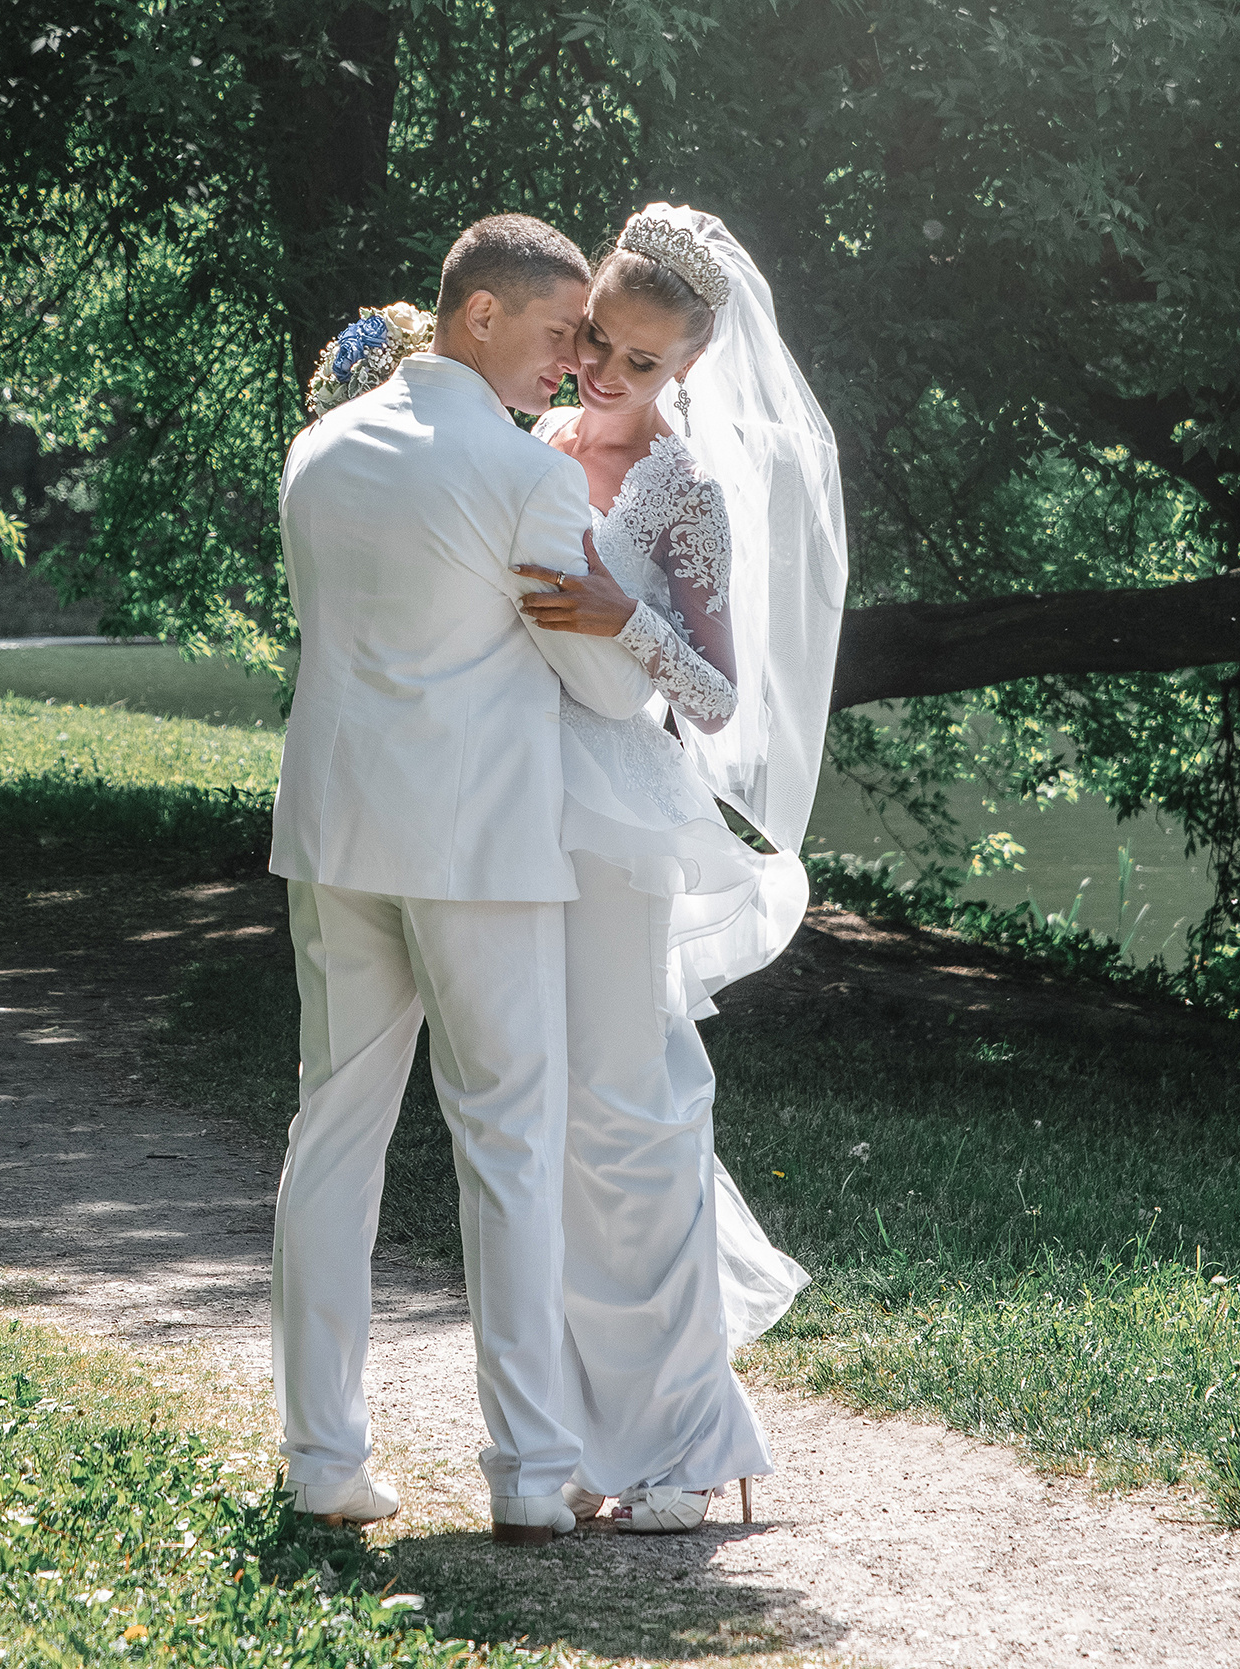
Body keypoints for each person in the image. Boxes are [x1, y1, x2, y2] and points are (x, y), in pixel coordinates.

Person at [267, 214, 654, 1546]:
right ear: (478, 316)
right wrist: (642, 623)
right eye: (558, 335)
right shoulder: (518, 474)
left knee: (334, 1132)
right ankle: (531, 1469)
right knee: (508, 1142)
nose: (571, 362)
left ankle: (321, 1457)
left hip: (333, 831)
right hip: (477, 849)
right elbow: (599, 674)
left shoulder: (319, 450)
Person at [513, 203, 847, 1531]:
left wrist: (624, 614)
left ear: (688, 369)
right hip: (508, 801)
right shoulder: (530, 440)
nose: (604, 374)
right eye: (596, 340)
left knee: (634, 1117)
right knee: (545, 1121)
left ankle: (689, 1438)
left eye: (640, 363)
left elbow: (716, 697)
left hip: (617, 813)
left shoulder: (683, 487)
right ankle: (594, 1432)